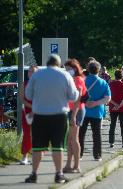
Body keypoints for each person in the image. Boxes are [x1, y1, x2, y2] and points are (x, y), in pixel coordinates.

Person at [25, 54, 79, 183]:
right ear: (58, 63)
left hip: (40, 116)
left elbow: (28, 95)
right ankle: (58, 174)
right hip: (59, 116)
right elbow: (73, 96)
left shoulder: (37, 75)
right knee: (58, 146)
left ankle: (33, 174)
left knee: (37, 147)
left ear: (47, 62)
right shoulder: (65, 75)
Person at [79, 60, 111, 161]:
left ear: (88, 69)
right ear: (99, 70)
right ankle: (97, 155)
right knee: (97, 134)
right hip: (97, 111)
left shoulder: (83, 80)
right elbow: (108, 98)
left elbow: (77, 95)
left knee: (81, 134)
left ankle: (79, 154)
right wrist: (96, 103)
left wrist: (86, 102)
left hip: (83, 110)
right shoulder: (103, 82)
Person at [63, 59, 86, 173]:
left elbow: (78, 98)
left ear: (74, 68)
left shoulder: (78, 79)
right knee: (69, 139)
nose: (66, 70)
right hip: (70, 110)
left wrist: (73, 116)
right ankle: (68, 164)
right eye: (65, 69)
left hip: (76, 111)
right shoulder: (71, 79)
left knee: (73, 139)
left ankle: (76, 166)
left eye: (68, 69)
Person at [19, 65, 38, 165]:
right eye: (30, 72)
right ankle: (25, 156)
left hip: (38, 112)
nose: (31, 73)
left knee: (36, 134)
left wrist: (35, 109)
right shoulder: (24, 84)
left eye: (33, 72)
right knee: (26, 134)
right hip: (27, 111)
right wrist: (31, 106)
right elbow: (21, 98)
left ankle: (36, 155)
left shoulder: (40, 85)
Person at [109, 69, 123, 148]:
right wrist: (119, 106)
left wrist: (115, 105)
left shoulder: (110, 84)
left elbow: (109, 97)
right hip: (122, 108)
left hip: (112, 107)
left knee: (112, 125)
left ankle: (111, 142)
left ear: (115, 75)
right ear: (122, 76)